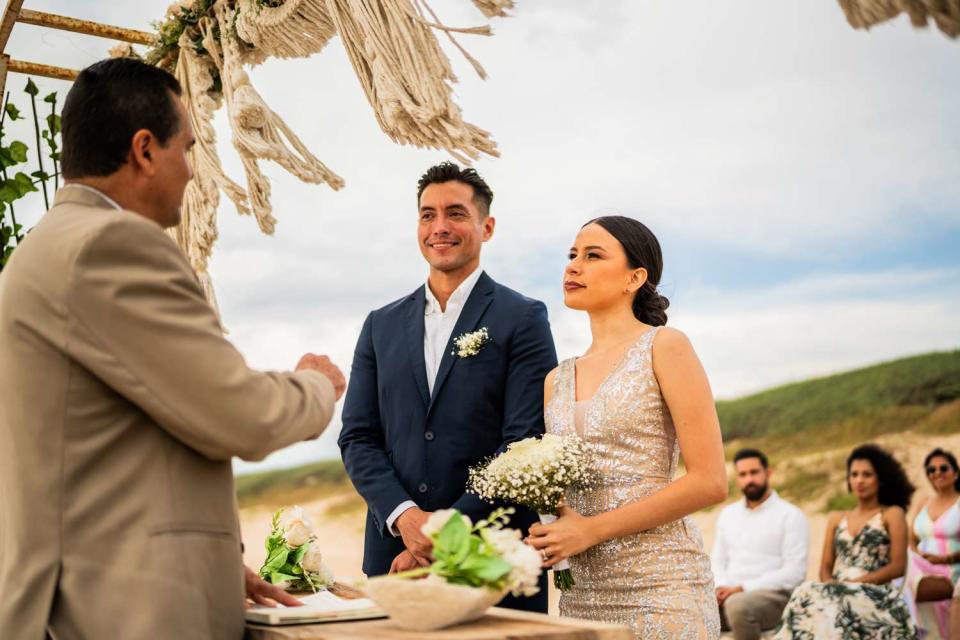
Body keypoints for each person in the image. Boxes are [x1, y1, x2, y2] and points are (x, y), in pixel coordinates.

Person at [0, 58, 345, 640]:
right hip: (124, 611)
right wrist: (316, 386)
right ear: (144, 150)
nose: (191, 172)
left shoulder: (41, 251)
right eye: (186, 149)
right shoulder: (111, 243)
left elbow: (112, 446)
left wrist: (213, 562)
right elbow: (239, 413)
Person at [338, 162, 557, 612]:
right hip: (393, 559)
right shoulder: (380, 325)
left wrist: (443, 531)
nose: (439, 227)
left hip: (493, 561)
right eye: (427, 215)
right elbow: (358, 437)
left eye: (455, 213)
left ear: (486, 226)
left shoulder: (522, 317)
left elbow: (523, 443)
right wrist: (406, 519)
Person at [527, 216, 726, 638]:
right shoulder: (556, 379)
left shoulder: (665, 347)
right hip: (580, 592)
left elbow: (710, 482)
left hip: (660, 585)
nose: (573, 266)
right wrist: (553, 527)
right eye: (572, 255)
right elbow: (561, 486)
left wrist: (590, 530)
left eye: (593, 255)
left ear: (635, 277)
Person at [773, 444, 917, 639]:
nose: (859, 480)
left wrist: (858, 582)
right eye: (854, 475)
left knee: (834, 605)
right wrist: (833, 585)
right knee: (804, 592)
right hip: (838, 588)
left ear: (880, 479)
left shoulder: (891, 514)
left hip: (875, 591)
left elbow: (898, 567)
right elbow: (824, 567)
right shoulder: (836, 518)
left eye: (867, 475)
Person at [712, 448, 809, 639]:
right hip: (730, 594)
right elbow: (717, 561)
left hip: (776, 596)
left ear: (768, 473)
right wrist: (722, 587)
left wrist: (742, 588)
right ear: (737, 478)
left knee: (738, 607)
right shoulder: (727, 515)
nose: (749, 479)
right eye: (743, 474)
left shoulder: (790, 515)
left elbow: (795, 572)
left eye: (754, 472)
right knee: (695, 606)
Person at [904, 448, 960, 638]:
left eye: (943, 468)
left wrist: (944, 558)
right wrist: (918, 555)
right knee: (902, 562)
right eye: (931, 470)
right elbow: (911, 538)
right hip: (921, 566)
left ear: (956, 472)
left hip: (950, 568)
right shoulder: (923, 502)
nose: (937, 473)